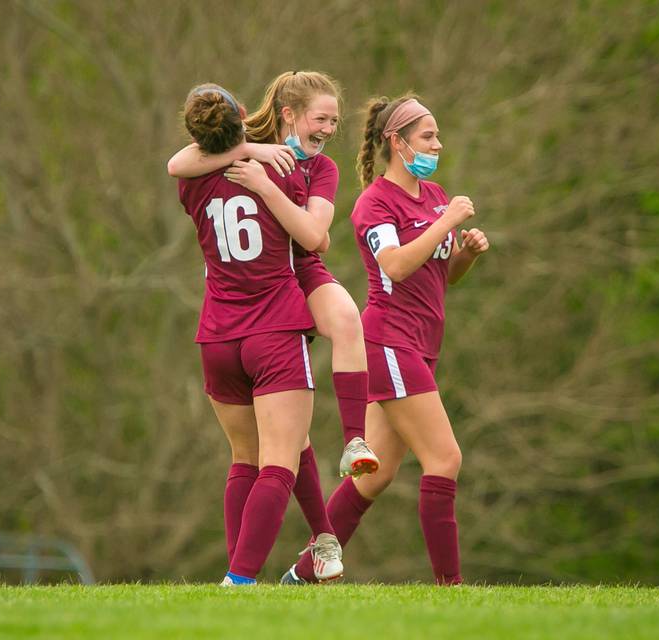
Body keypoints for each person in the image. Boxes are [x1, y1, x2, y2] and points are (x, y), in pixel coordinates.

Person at [282, 95, 490, 585]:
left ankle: (303, 574)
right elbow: (394, 265)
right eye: (428, 137)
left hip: (420, 345)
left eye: (437, 136)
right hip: (389, 342)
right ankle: (451, 590)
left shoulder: (435, 195)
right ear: (396, 142)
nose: (437, 145)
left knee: (373, 476)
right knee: (446, 457)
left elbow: (443, 277)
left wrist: (466, 254)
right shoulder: (374, 202)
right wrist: (446, 222)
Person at [168, 71, 380, 481]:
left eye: (334, 122)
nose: (329, 130)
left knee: (348, 319)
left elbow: (315, 237)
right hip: (261, 280)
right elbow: (178, 163)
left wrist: (266, 187)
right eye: (321, 119)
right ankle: (321, 536)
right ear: (289, 114)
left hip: (300, 269)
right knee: (284, 445)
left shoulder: (322, 168)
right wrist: (247, 150)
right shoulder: (249, 142)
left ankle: (355, 441)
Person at [175, 82, 343, 584]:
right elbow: (313, 238)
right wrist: (260, 156)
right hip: (273, 329)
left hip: (217, 338)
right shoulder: (279, 170)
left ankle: (242, 572)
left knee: (244, 459)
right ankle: (240, 581)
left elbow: (180, 162)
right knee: (279, 463)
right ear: (244, 119)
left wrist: (237, 145)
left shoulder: (190, 182)